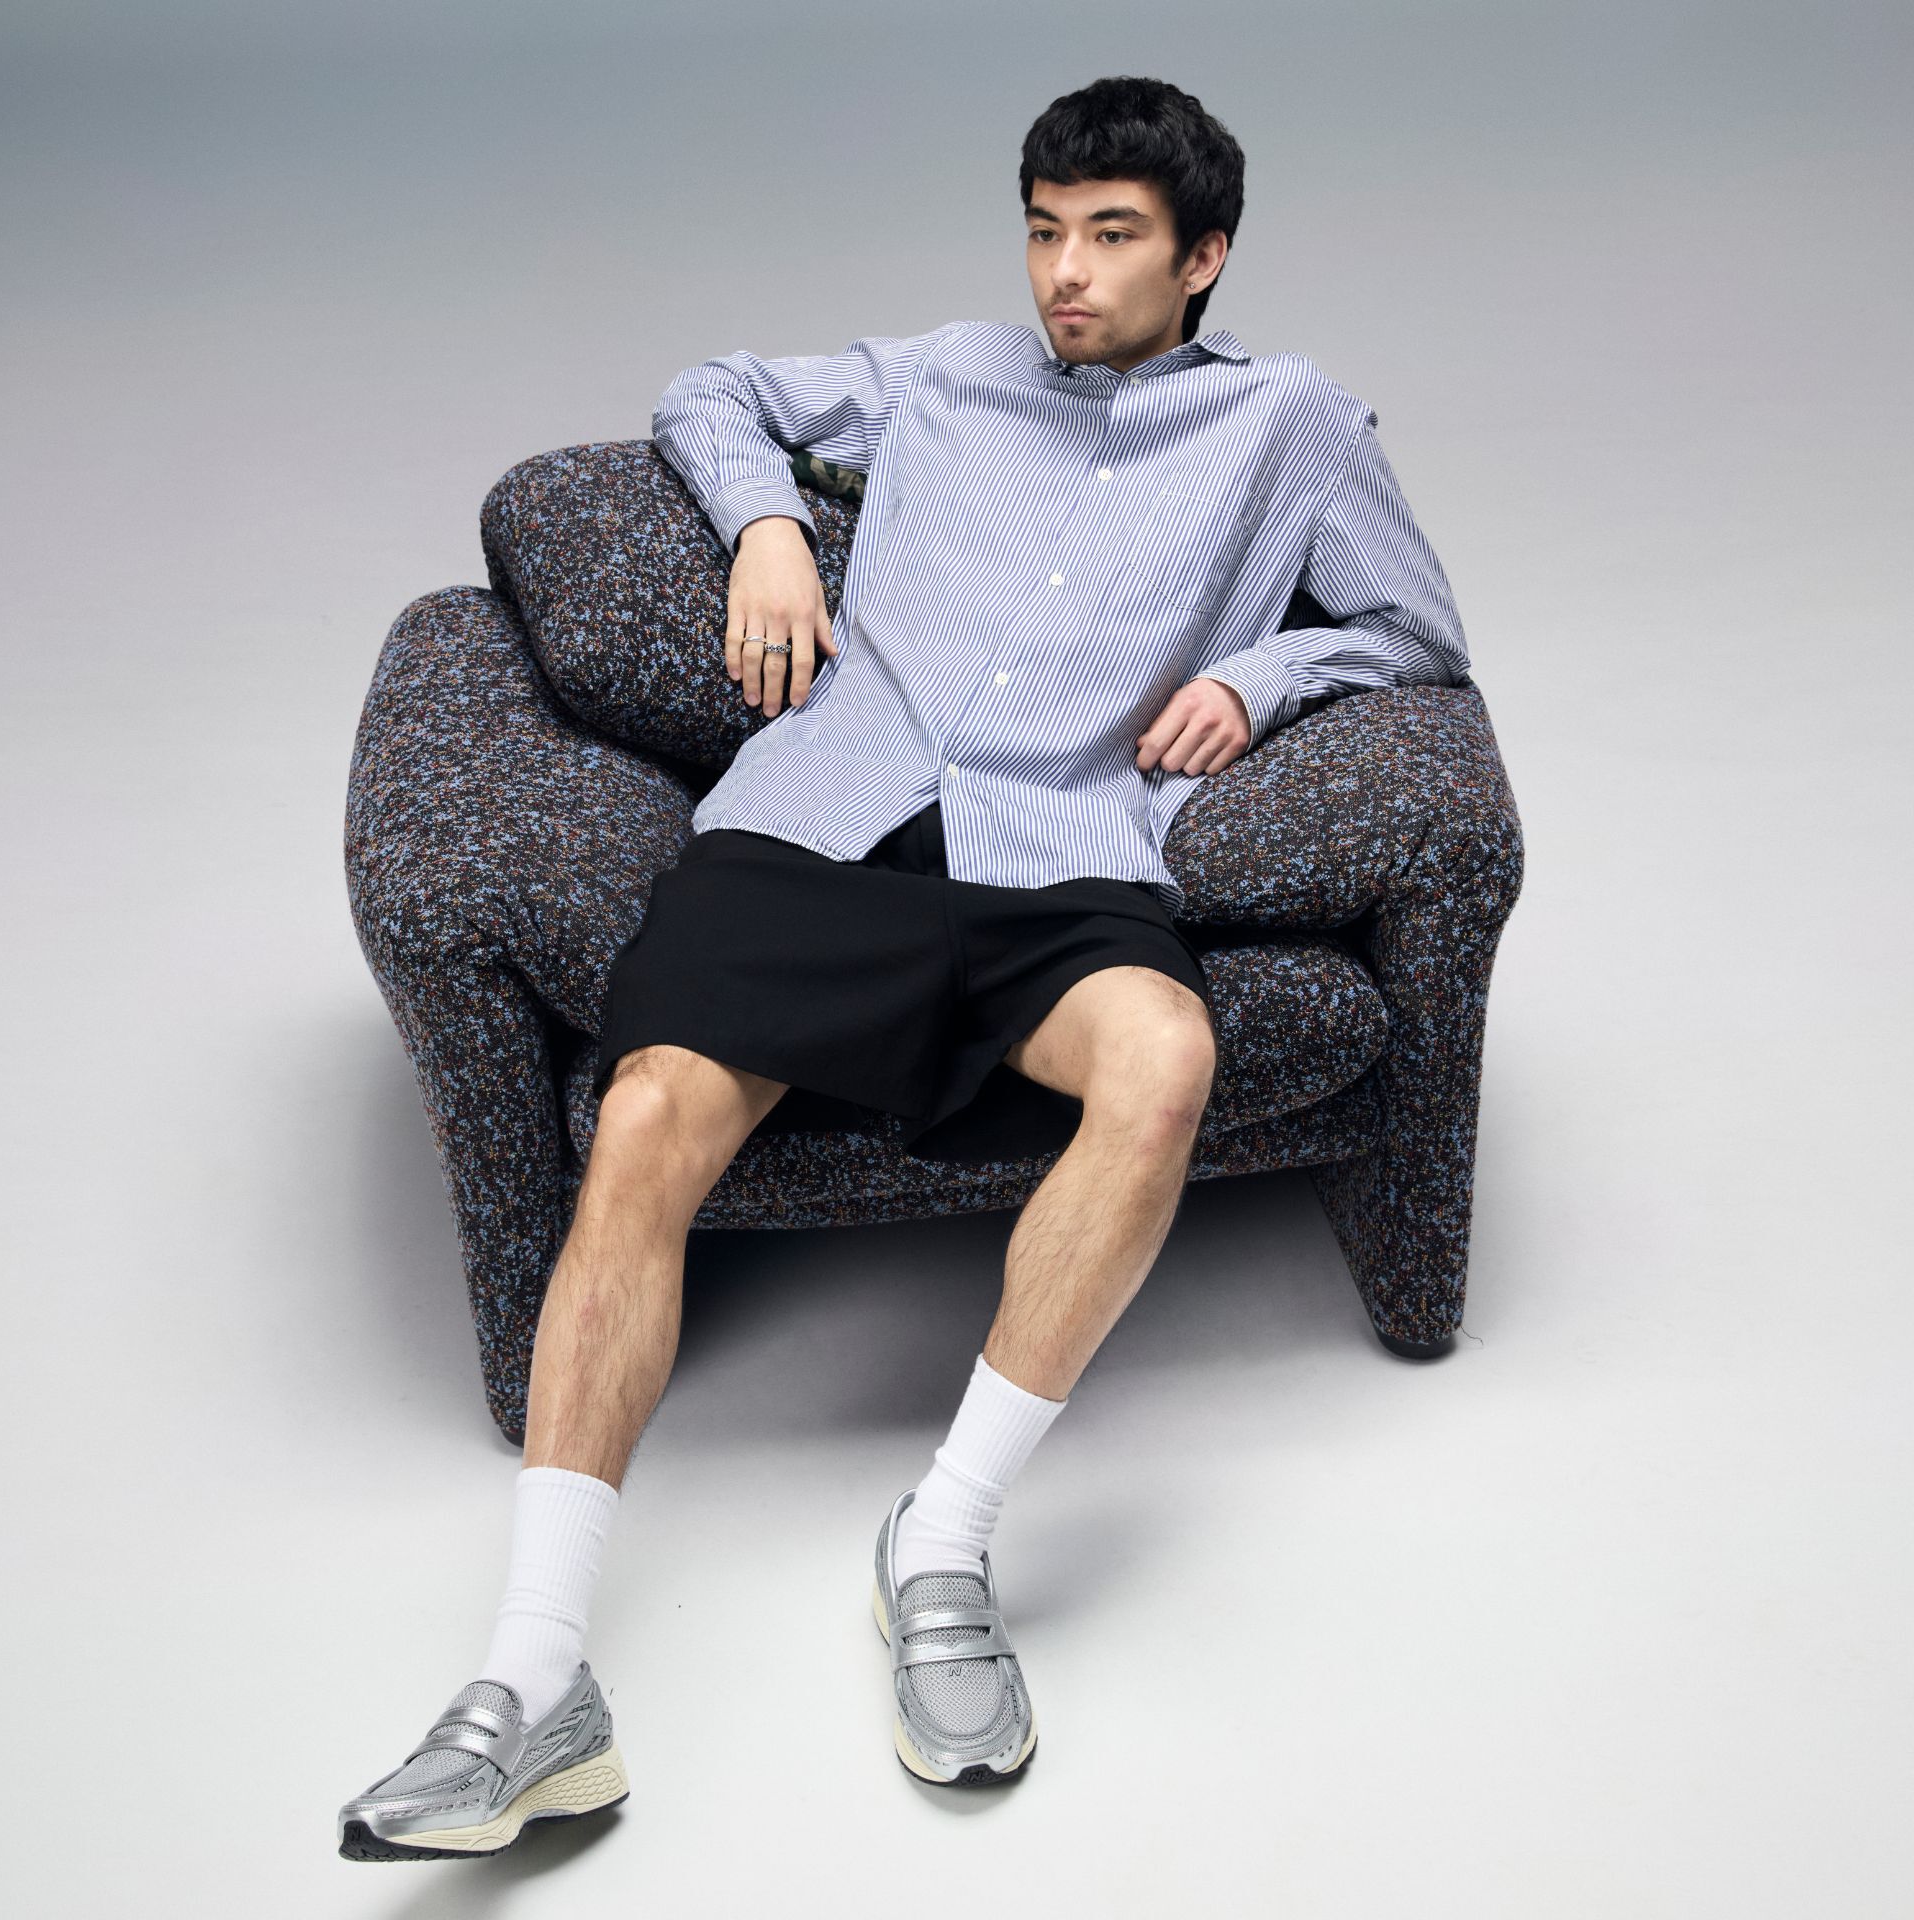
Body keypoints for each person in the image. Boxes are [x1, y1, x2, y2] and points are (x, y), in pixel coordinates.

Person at [337, 74, 1469, 1860]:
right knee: (641, 1120)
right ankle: (534, 1678)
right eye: (1044, 232)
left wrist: (1261, 679)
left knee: (1165, 1060)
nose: (1065, 275)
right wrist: (771, 526)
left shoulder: (1295, 431)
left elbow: (1414, 630)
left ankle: (940, 1543)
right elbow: (712, 391)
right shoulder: (944, 372)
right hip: (820, 817)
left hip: (1061, 849)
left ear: (1204, 258)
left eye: (1112, 238)